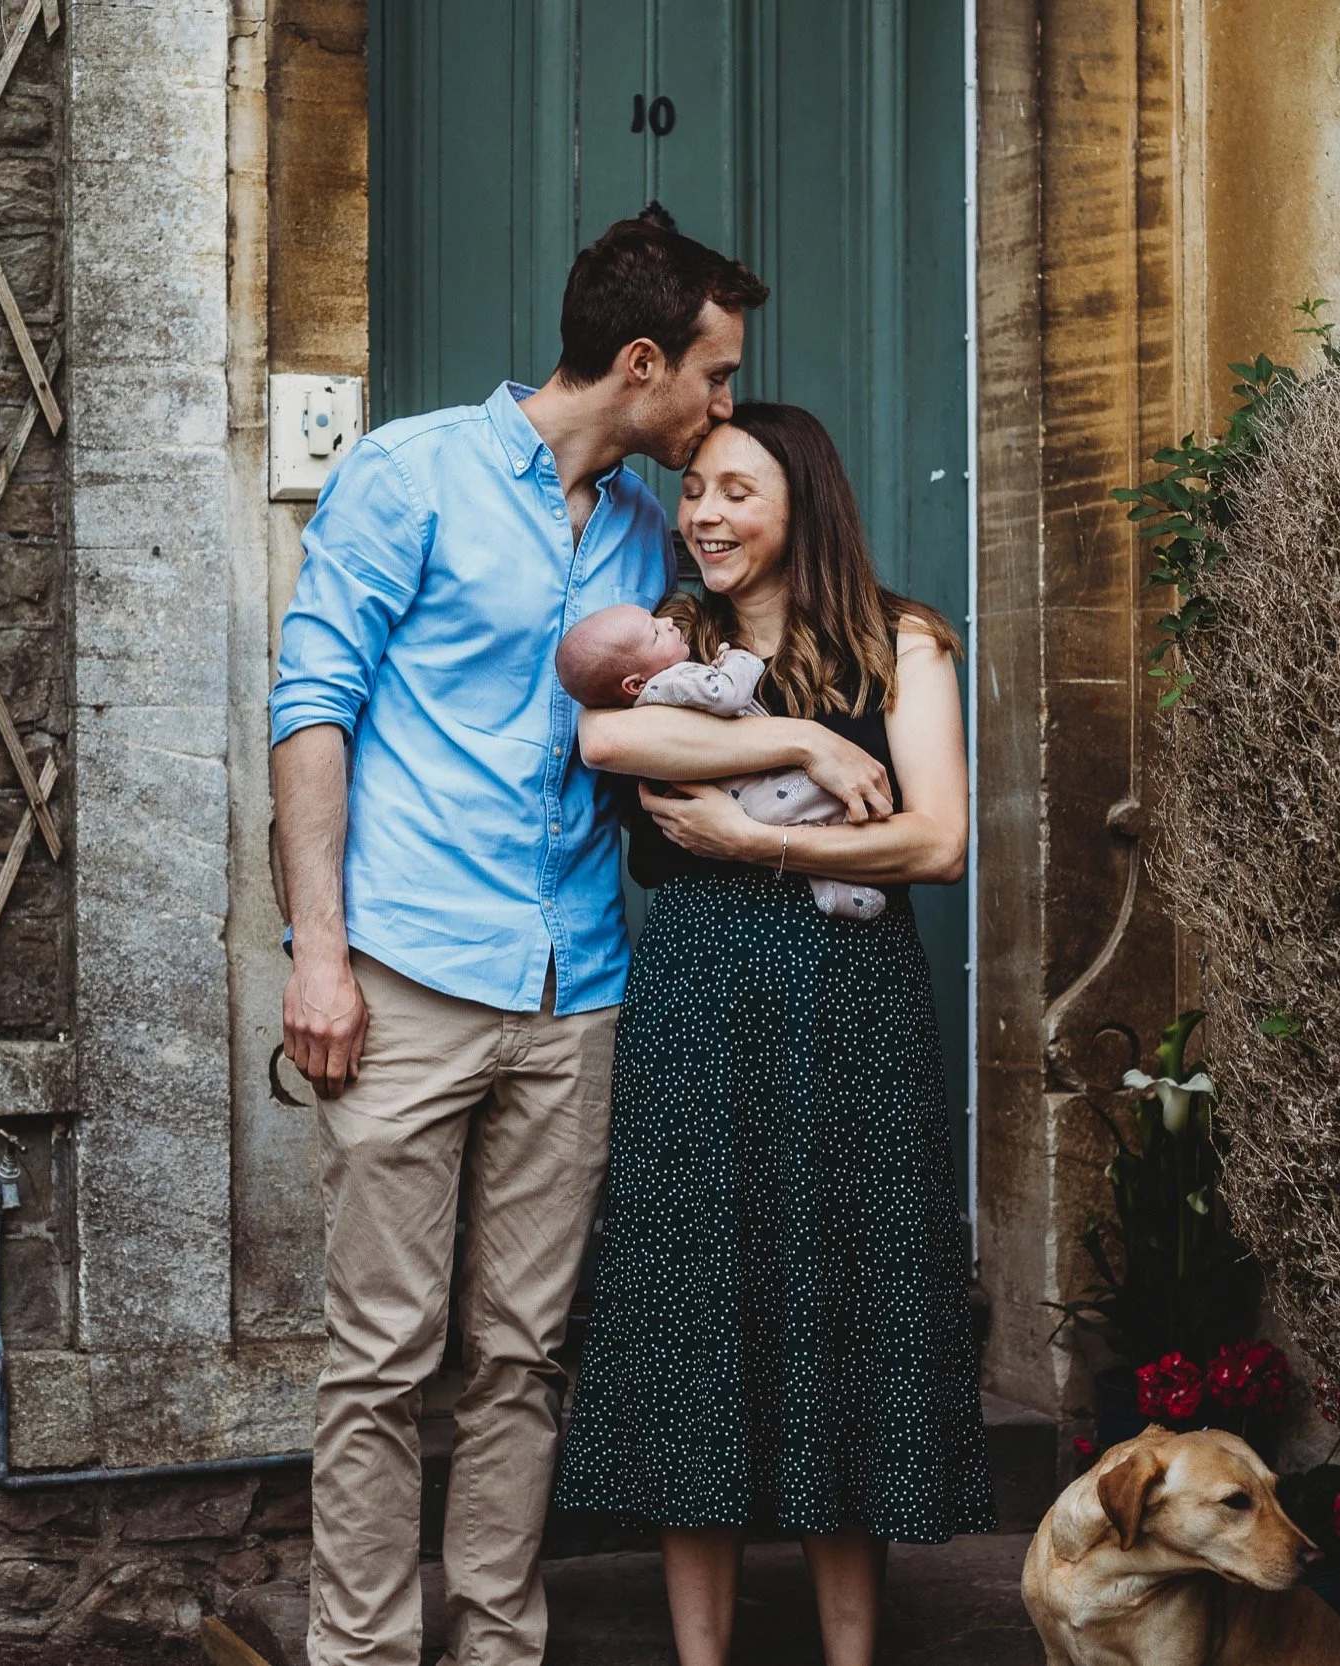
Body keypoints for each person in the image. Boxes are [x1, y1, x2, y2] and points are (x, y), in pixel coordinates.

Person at [270, 206, 861, 1666]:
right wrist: (319, 952)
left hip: (579, 982)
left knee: (525, 1358)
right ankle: (362, 1652)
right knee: (382, 1361)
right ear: (643, 361)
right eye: (714, 379)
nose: (726, 408)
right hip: (409, 971)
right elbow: (312, 713)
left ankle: (495, 1645)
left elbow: (676, 723)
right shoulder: (409, 474)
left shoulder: (663, 535)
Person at [555, 402, 997, 1666]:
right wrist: (798, 737)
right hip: (695, 1002)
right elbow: (603, 732)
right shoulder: (668, 642)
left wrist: (765, 841)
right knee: (700, 1317)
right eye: (692, 488)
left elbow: (938, 839)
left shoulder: (902, 645)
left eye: (735, 489)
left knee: (841, 1321)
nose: (702, 513)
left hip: (851, 1010)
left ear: (802, 499)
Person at [554, 602, 888, 919]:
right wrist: (738, 660)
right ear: (636, 683)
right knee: (812, 807)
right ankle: (841, 873)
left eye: (655, 619)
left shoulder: (652, 699)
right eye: (656, 633)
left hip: (742, 800)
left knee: (798, 821)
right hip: (753, 792)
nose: (667, 622)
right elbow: (727, 695)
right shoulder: (672, 681)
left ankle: (832, 887)